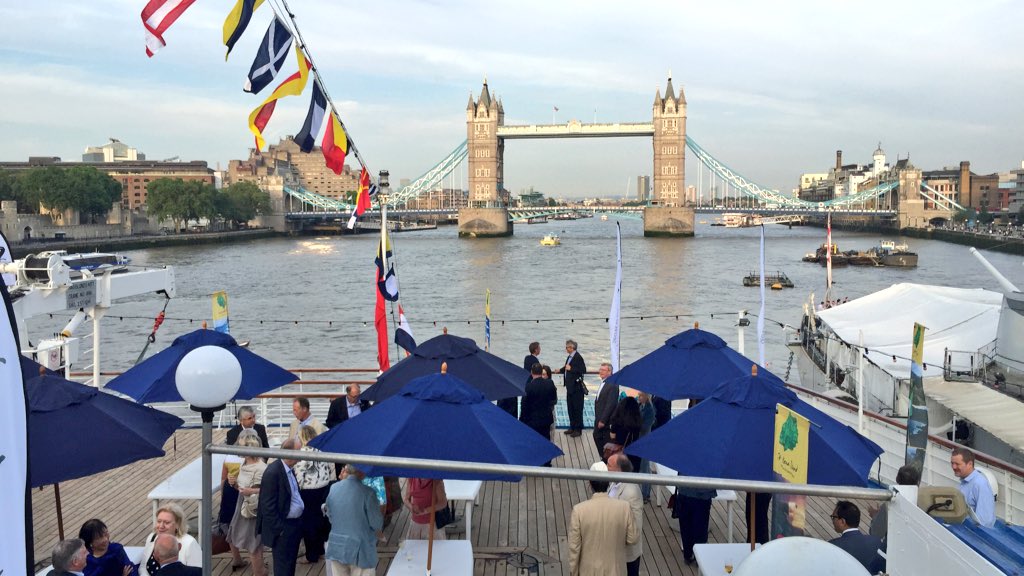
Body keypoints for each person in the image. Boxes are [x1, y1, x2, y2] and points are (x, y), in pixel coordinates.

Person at [568, 461, 638, 576]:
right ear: (608, 481)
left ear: (590, 483)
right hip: (616, 570)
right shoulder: (624, 507)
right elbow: (632, 539)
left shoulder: (579, 510)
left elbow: (574, 548)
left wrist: (573, 572)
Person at [324, 464, 384, 576]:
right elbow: (376, 523)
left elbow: (330, 514)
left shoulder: (334, 488)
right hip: (360, 549)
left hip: (337, 545)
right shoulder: (368, 492)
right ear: (362, 472)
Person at [257, 437, 304, 576]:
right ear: (290, 453)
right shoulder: (273, 473)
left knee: (290, 565)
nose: (301, 457)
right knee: (283, 567)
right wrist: (281, 530)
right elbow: (267, 506)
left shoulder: (289, 469)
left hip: (294, 525)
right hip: (284, 529)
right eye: (299, 452)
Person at [226, 431, 268, 576]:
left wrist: (249, 490)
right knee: (246, 540)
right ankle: (259, 568)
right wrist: (234, 484)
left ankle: (259, 572)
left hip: (253, 509)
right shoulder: (245, 463)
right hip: (243, 504)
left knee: (253, 543)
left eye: (242, 446)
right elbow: (242, 488)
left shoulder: (261, 467)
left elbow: (266, 490)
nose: (238, 448)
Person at [294, 425, 335, 564]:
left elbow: (299, 477)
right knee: (322, 520)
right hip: (323, 489)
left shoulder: (301, 455)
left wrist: (295, 493)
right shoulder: (322, 450)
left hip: (308, 492)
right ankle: (322, 551)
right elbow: (330, 470)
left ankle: (311, 555)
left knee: (309, 524)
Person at [139, 503, 201, 576]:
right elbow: (143, 566)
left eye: (167, 522)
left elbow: (198, 572)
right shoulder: (152, 537)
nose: (161, 526)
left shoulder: (189, 543)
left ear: (178, 524)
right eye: (159, 521)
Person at [607, 454, 644, 576]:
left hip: (627, 554)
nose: (606, 468)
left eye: (609, 465)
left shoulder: (631, 492)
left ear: (619, 470)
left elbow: (635, 527)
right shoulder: (614, 483)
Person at [829, 500, 885, 574]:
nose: (832, 520)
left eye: (833, 517)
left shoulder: (832, 546)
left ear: (842, 521)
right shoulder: (876, 541)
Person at [869, 464, 921, 540]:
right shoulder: (922, 505)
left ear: (897, 479)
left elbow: (875, 533)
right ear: (918, 482)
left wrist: (875, 517)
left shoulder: (890, 505)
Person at [520, 362, 558, 465]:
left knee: (533, 441)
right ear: (541, 372)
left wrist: (522, 419)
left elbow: (524, 406)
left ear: (532, 373)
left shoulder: (528, 387)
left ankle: (534, 461)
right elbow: (553, 400)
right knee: (546, 439)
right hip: (546, 418)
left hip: (532, 420)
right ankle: (547, 462)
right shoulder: (550, 383)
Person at [951, 447, 996, 527]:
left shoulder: (980, 484)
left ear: (970, 464)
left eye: (957, 464)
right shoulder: (965, 481)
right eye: (952, 463)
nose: (954, 467)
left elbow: (985, 521)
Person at [675, 482, 716, 565]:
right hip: (703, 492)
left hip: (685, 489)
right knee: (700, 528)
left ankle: (688, 555)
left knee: (686, 527)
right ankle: (699, 557)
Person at [556, 339, 587, 438]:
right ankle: (572, 427)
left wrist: (571, 369)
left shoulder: (578, 357)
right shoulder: (570, 357)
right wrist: (560, 370)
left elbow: (583, 370)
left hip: (576, 388)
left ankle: (578, 429)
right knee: (570, 408)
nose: (566, 349)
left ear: (572, 347)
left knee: (577, 408)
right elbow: (566, 367)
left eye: (567, 347)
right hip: (570, 387)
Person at [607, 395, 641, 472]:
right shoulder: (637, 422)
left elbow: (612, 436)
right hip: (634, 455)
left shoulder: (617, 422)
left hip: (620, 455)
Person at [593, 362, 620, 455]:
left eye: (603, 370)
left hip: (605, 420)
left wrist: (603, 420)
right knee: (596, 436)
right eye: (600, 369)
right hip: (598, 416)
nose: (600, 372)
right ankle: (603, 456)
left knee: (605, 439)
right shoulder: (604, 382)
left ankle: (605, 458)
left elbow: (611, 404)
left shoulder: (613, 385)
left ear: (610, 372)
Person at [636, 392, 657, 502]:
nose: (639, 397)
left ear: (646, 397)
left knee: (645, 468)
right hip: (640, 440)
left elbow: (645, 426)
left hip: (644, 441)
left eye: (641, 396)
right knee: (642, 467)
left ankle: (646, 494)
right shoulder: (641, 406)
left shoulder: (650, 410)